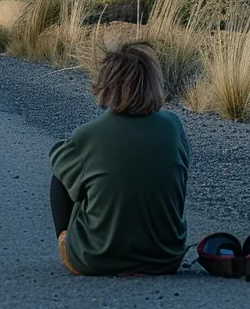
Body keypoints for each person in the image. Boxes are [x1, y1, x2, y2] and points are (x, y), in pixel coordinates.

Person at [49, 42, 189, 276]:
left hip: (94, 260)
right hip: (164, 259)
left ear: (105, 85)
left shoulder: (89, 135)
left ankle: (67, 241)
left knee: (64, 178)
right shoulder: (173, 127)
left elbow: (58, 161)